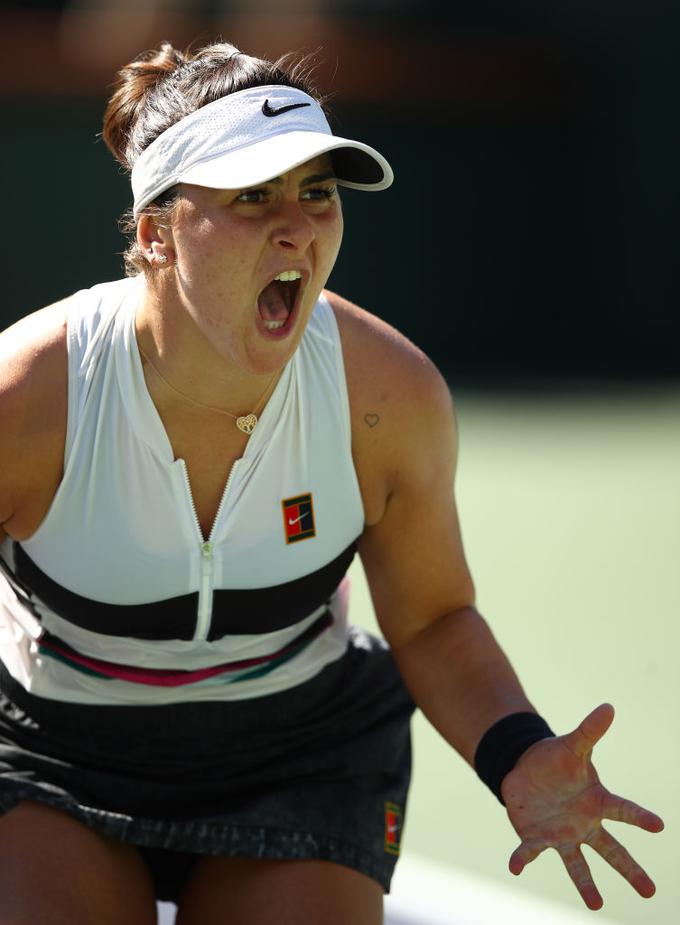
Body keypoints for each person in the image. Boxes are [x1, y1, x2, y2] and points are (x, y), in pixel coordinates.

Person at [0, 40, 664, 925]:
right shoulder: (32, 396)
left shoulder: (387, 395)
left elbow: (431, 617)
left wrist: (518, 750)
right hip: (53, 751)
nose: (298, 227)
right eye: (253, 196)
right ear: (156, 232)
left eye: (318, 193)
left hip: (299, 754)